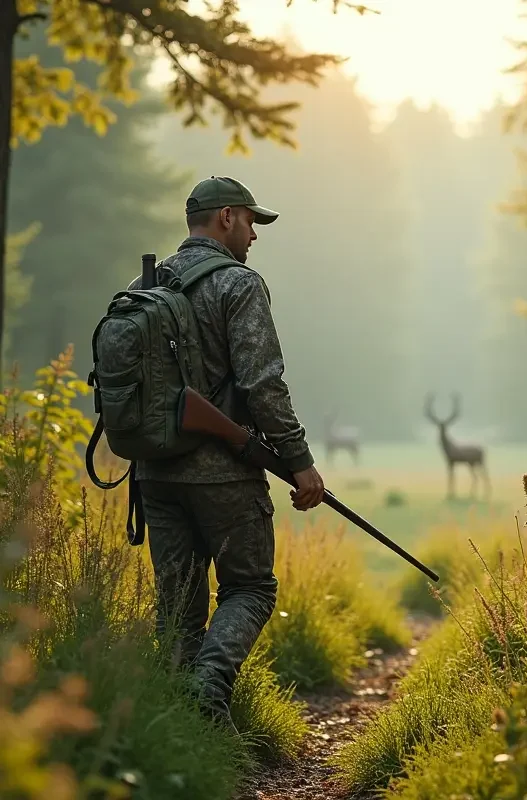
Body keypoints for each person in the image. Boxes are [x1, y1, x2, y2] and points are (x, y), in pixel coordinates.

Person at [129, 175, 325, 731]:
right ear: (226, 219)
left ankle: (181, 726)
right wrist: (299, 461)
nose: (255, 237)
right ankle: (208, 688)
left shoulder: (145, 284)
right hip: (224, 473)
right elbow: (263, 383)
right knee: (251, 587)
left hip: (155, 474)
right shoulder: (238, 284)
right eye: (251, 223)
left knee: (179, 605)